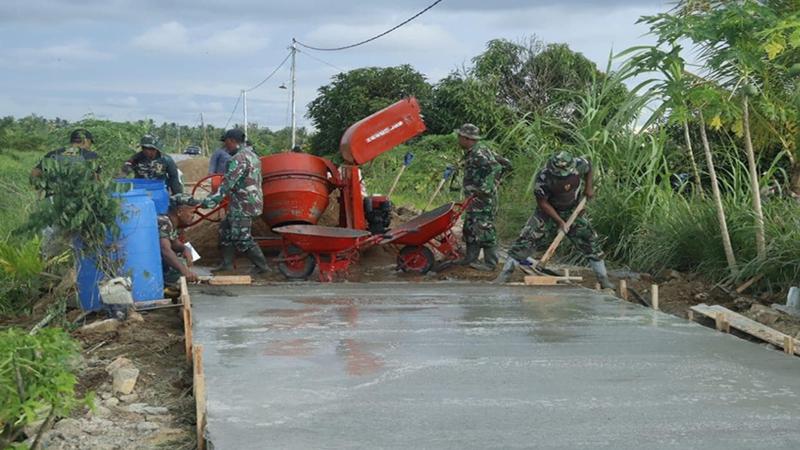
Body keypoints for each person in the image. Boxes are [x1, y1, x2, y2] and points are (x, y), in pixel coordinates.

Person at [494, 150, 614, 288]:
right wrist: (559, 222)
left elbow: (589, 167)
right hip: (546, 212)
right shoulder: (544, 177)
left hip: (572, 211)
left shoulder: (579, 164)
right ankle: (504, 276)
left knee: (590, 241)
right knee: (526, 239)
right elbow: (542, 203)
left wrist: (589, 187)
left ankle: (603, 280)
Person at [200, 129, 270, 274]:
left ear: (231, 140)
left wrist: (208, 202)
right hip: (249, 201)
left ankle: (263, 268)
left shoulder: (237, 159)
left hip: (243, 205)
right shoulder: (253, 156)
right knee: (225, 229)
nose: (225, 146)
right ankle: (227, 264)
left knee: (241, 237)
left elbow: (227, 184)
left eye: (226, 142)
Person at [31, 128, 100, 256]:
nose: (90, 146)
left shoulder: (52, 154)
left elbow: (34, 173)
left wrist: (42, 187)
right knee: (74, 242)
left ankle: (47, 268)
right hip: (77, 206)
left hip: (51, 203)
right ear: (85, 141)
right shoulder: (91, 157)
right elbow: (96, 182)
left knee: (49, 242)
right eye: (90, 143)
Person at [456, 123, 508, 271]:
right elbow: (503, 162)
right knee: (470, 228)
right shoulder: (475, 152)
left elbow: (497, 167)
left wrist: (487, 186)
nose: (458, 139)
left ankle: (490, 263)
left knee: (484, 228)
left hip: (483, 199)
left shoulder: (479, 153)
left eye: (460, 137)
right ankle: (470, 259)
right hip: (474, 198)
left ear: (467, 138)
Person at [159, 194, 200, 285]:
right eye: (191, 212)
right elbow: (165, 251)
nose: (193, 216)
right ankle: (168, 284)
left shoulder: (171, 223)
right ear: (180, 212)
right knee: (180, 262)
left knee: (189, 250)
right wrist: (185, 271)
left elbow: (175, 243)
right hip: (153, 263)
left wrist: (185, 248)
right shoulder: (164, 222)